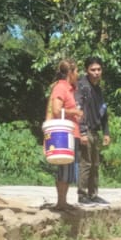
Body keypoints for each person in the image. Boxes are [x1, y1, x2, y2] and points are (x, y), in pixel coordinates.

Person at [45, 59, 82, 211]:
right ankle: (61, 202)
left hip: (72, 133)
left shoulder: (70, 89)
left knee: (69, 169)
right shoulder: (60, 88)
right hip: (64, 135)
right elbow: (56, 110)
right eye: (77, 71)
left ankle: (63, 201)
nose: (78, 74)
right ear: (70, 73)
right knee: (64, 168)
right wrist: (74, 111)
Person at [75, 56, 112, 206]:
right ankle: (82, 195)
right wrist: (82, 131)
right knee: (86, 163)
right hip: (86, 129)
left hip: (95, 130)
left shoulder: (98, 89)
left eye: (99, 69)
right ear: (86, 70)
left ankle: (93, 194)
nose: (96, 72)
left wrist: (106, 132)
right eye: (93, 70)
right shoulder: (82, 86)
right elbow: (78, 110)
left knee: (95, 164)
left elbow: (103, 111)